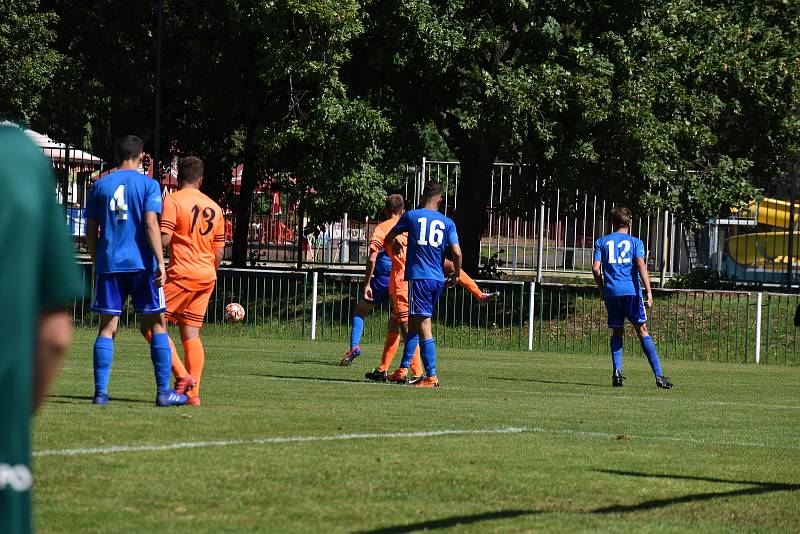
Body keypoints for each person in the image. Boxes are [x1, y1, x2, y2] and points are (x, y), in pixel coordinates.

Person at [0, 125, 83, 534]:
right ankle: (180, 388)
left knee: (114, 326)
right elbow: (54, 335)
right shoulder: (18, 155)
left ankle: (104, 390)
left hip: (115, 263)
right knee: (162, 328)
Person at [86, 135, 187, 407]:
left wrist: (98, 261)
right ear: (142, 156)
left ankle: (100, 392)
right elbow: (151, 224)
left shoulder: (100, 185)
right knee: (157, 324)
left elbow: (90, 231)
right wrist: (160, 261)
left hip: (110, 264)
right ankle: (163, 392)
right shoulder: (149, 184)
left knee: (107, 328)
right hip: (143, 265)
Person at [159, 156, 225, 406]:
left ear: (178, 177)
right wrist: (211, 270)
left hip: (182, 273)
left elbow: (164, 239)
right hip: (207, 275)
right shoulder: (214, 207)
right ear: (200, 179)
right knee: (191, 334)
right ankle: (193, 395)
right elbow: (219, 252)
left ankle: (184, 377)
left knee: (151, 324)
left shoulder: (174, 200)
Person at [384, 181, 462, 387]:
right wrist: (456, 275)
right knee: (413, 324)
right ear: (441, 199)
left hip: (419, 278)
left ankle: (432, 376)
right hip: (436, 279)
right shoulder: (447, 222)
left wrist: (394, 244)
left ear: (421, 197)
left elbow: (390, 235)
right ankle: (402, 370)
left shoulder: (411, 216)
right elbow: (457, 253)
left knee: (424, 326)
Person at [591, 207, 673, 389]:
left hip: (612, 293)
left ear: (612, 222)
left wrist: (601, 289)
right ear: (630, 222)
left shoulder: (602, 242)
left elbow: (596, 268)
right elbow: (641, 265)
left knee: (617, 332)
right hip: (631, 292)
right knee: (642, 330)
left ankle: (617, 372)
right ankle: (659, 376)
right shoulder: (636, 242)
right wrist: (649, 291)